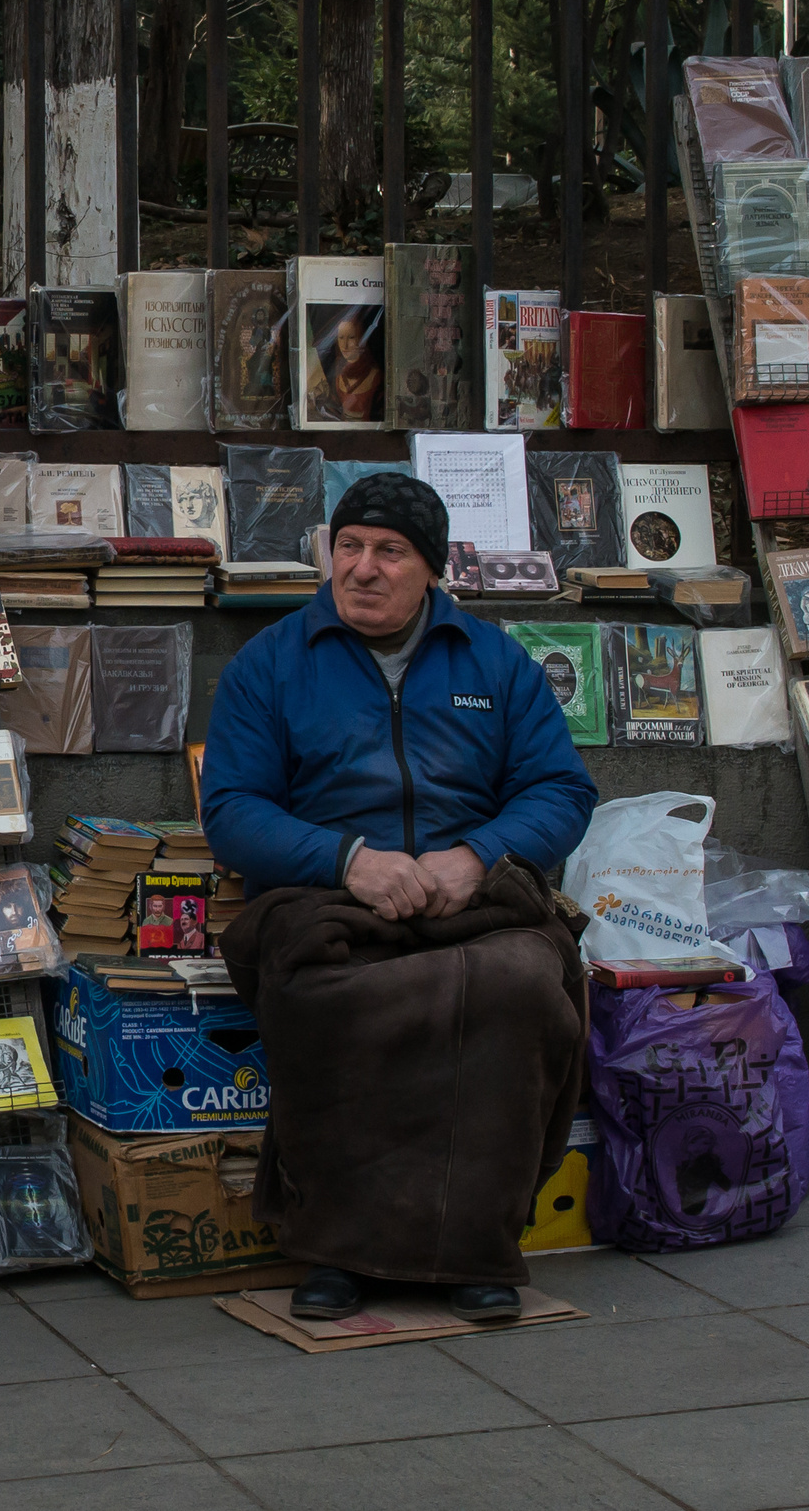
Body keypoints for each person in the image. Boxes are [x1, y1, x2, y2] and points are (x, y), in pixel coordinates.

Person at [202, 473, 598, 1325]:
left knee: (524, 985)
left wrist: (476, 855)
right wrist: (346, 859)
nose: (364, 569)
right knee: (324, 989)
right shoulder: (271, 662)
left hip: (472, 899)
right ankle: (337, 1249)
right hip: (328, 900)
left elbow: (562, 791)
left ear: (432, 568)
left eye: (390, 551)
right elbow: (232, 809)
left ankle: (475, 1249)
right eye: (349, 547)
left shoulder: (493, 661)